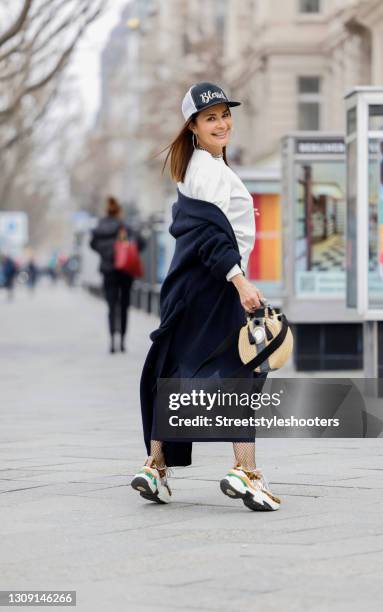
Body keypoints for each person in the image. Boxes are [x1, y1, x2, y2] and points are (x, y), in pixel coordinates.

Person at [131, 82, 281, 511]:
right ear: (193, 126)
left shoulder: (199, 167)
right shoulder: (209, 170)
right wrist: (240, 281)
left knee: (175, 372)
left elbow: (203, 233)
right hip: (213, 287)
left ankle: (154, 466)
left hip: (187, 287)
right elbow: (211, 236)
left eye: (224, 114)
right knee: (243, 376)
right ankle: (246, 472)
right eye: (210, 117)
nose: (221, 123)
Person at [90, 196, 144, 354]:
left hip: (108, 270)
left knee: (111, 305)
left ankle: (112, 341)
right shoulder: (124, 226)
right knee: (124, 305)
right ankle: (123, 341)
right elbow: (140, 242)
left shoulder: (100, 227)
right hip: (125, 271)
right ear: (119, 210)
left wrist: (105, 253)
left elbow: (92, 244)